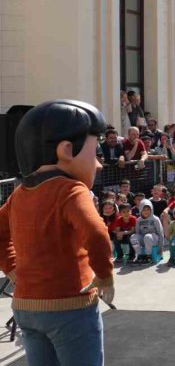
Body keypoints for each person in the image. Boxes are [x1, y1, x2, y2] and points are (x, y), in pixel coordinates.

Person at [0, 100, 114, 366]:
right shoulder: (71, 191)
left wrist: (13, 269)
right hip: (70, 306)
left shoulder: (19, 195)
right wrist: (105, 275)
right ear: (66, 150)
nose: (98, 164)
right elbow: (97, 234)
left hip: (26, 305)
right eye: (94, 151)